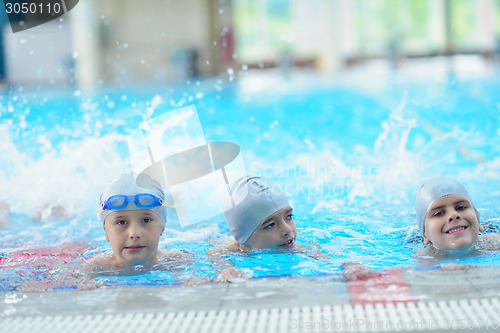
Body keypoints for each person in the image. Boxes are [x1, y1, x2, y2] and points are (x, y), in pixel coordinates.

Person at [87, 173, 188, 273]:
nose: (134, 234)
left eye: (146, 220)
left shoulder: (177, 261)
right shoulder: (95, 268)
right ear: (106, 232)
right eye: (121, 222)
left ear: (162, 226)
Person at [415, 177, 500, 260]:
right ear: (425, 235)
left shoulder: (494, 243)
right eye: (439, 213)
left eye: (461, 207)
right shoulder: (424, 261)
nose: (453, 215)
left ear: (478, 222)